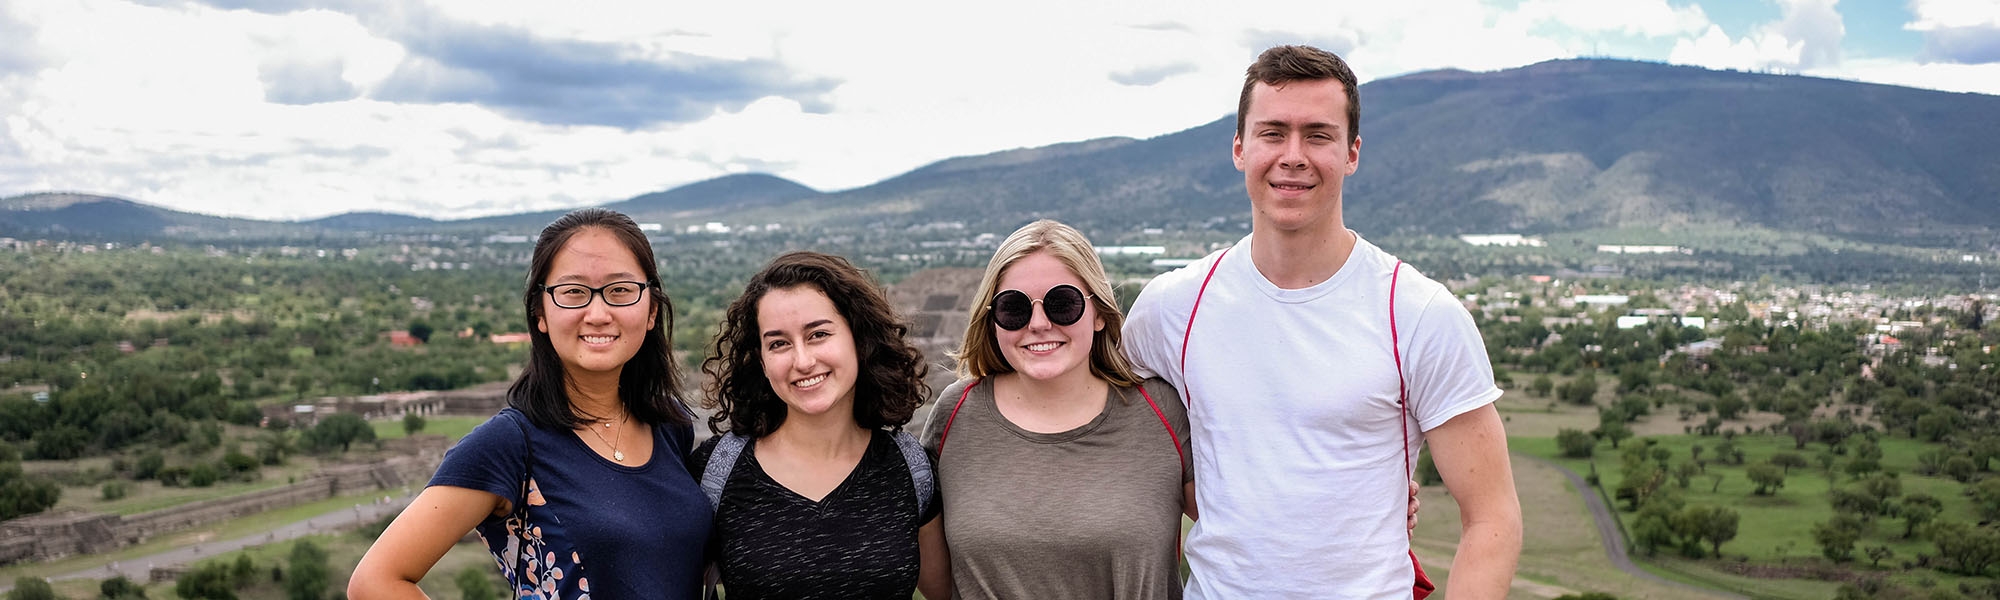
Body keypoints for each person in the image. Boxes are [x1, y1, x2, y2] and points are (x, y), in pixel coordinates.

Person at [1122, 45, 1523, 599]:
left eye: (1318, 135)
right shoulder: (1171, 309)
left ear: (1352, 152)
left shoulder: (1420, 314)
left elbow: (1493, 519)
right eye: (1272, 133)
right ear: (1239, 148)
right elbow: (1123, 453)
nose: (1293, 155)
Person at [351, 208, 710, 600]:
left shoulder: (670, 424)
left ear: (652, 309)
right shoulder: (510, 445)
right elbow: (376, 581)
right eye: (573, 292)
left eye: (620, 290)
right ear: (540, 311)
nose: (598, 313)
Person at [921, 219, 1193, 599]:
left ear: (1099, 313)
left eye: (1062, 304)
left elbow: (1243, 537)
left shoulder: (1160, 409)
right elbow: (933, 578)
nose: (1038, 324)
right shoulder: (955, 413)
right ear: (992, 320)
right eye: (1014, 308)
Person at [689, 250, 951, 600]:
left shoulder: (910, 469)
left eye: (818, 335)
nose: (803, 361)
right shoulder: (717, 472)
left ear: (859, 339)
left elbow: (949, 592)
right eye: (779, 343)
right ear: (762, 361)